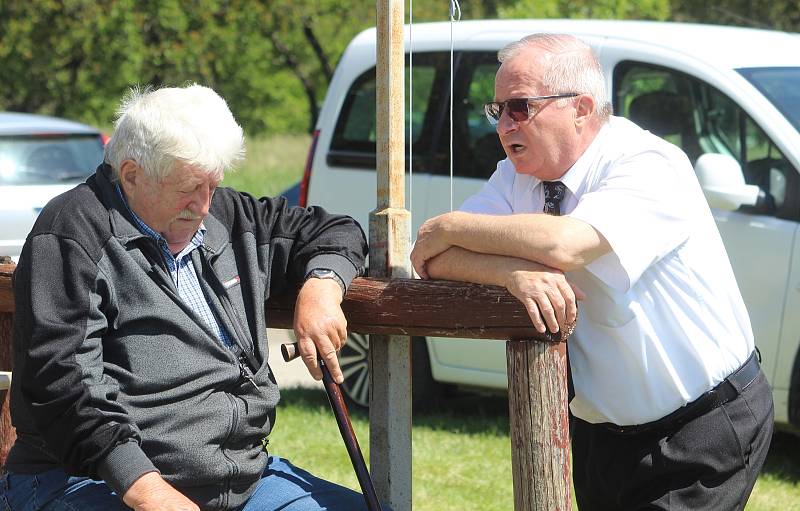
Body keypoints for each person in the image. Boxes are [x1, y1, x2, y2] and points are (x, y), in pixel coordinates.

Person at [410, 34, 773, 510]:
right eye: (496, 110)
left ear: (580, 108)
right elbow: (430, 259)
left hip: (703, 426)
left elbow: (565, 242)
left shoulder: (649, 162)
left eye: (519, 108)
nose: (502, 125)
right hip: (603, 436)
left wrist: (452, 224)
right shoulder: (515, 176)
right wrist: (510, 274)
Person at [1, 84, 373, 511]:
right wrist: (148, 491)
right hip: (92, 480)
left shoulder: (228, 215)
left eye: (212, 184)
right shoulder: (72, 232)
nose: (203, 205)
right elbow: (66, 384)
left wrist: (322, 288)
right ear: (131, 175)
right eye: (189, 188)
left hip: (240, 480)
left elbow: (333, 231)